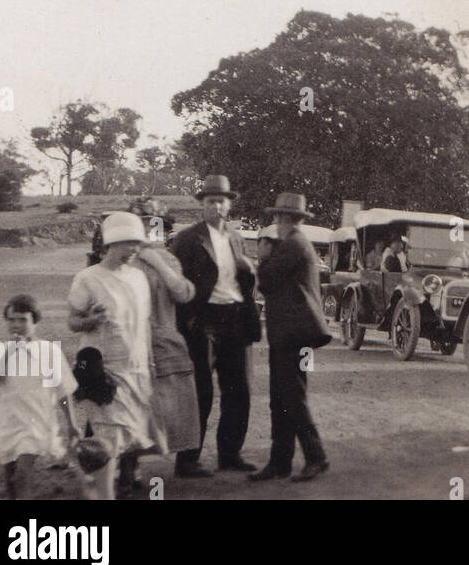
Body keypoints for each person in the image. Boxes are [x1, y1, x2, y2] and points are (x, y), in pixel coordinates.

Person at [170, 175, 259, 478]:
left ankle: (230, 454)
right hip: (203, 320)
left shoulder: (236, 238)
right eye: (210, 201)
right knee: (200, 390)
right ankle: (187, 459)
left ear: (229, 205)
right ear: (202, 205)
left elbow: (242, 276)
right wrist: (187, 320)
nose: (217, 206)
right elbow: (174, 283)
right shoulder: (187, 239)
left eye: (222, 201)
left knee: (239, 390)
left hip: (235, 318)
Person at [67, 212, 159, 498]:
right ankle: (102, 492)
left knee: (130, 434)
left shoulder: (139, 278)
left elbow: (144, 323)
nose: (134, 250)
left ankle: (114, 484)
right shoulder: (88, 278)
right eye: (128, 243)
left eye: (137, 244)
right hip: (104, 367)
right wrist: (90, 320)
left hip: (136, 366)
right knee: (108, 437)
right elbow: (72, 322)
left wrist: (150, 361)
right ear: (111, 243)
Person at [250, 193, 331, 482]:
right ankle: (280, 461)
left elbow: (268, 280)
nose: (276, 223)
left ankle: (316, 457)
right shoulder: (297, 243)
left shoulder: (293, 244)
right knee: (282, 398)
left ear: (283, 219)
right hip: (292, 334)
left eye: (278, 218)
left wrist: (262, 257)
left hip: (293, 334)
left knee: (292, 398)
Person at [0, 294, 77, 499]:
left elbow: (62, 391)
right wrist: (7, 354)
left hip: (37, 420)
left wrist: (72, 424)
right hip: (8, 421)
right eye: (12, 320)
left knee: (22, 474)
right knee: (11, 477)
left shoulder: (49, 351)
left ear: (35, 321)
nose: (16, 325)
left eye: (23, 320)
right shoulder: (1, 350)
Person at [134, 229, 201, 461]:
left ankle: (175, 454)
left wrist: (157, 262)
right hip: (131, 339)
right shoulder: (120, 259)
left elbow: (182, 294)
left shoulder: (169, 259)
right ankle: (126, 466)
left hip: (163, 338)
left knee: (169, 401)